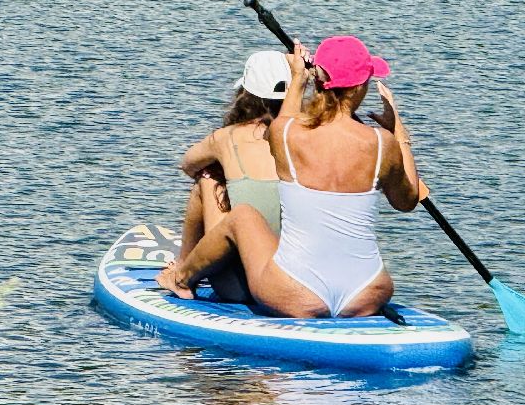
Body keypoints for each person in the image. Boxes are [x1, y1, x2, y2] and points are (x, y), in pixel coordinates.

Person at [157, 36, 423, 318]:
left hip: (297, 292)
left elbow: (284, 122)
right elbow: (408, 201)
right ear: (359, 86)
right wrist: (399, 133)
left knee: (243, 215)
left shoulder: (287, 135)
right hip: (367, 291)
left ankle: (180, 278)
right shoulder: (383, 143)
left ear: (319, 83)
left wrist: (298, 78)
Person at [172, 51, 287, 300]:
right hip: (289, 281)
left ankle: (182, 268)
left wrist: (223, 168)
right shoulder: (302, 138)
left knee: (207, 178)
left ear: (246, 96)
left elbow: (187, 165)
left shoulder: (227, 137)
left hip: (236, 287)